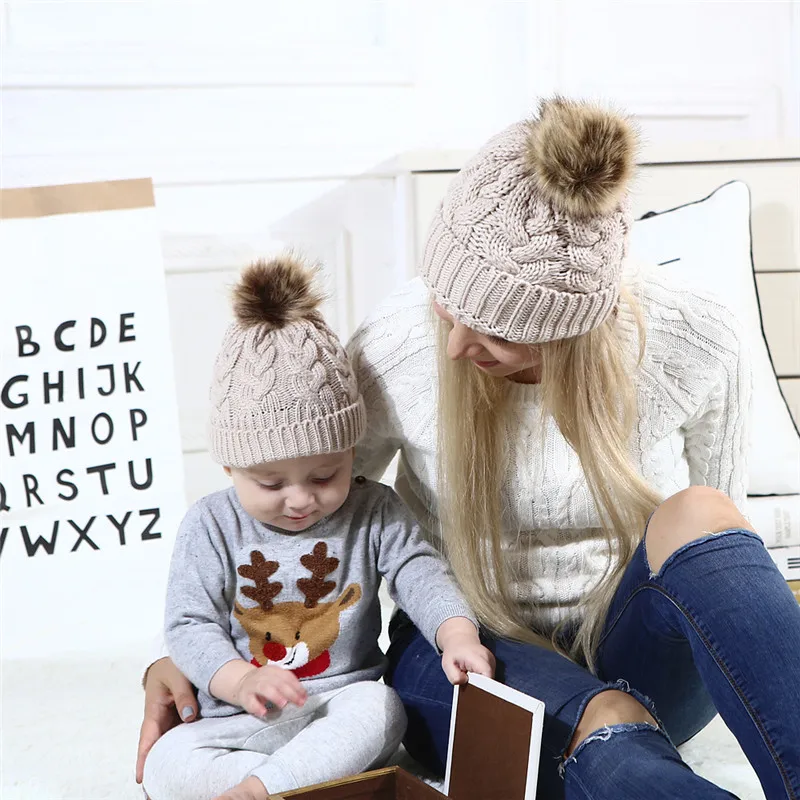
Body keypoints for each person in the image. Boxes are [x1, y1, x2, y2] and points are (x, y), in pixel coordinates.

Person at [138, 98, 800, 799]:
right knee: (606, 719)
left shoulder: (696, 335)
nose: (454, 345)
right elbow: (292, 520)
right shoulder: (396, 343)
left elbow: (722, 576)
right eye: (447, 306)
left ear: (566, 327)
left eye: (492, 331)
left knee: (701, 511)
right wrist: (181, 656)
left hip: (633, 645)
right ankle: (610, 744)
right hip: (465, 652)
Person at [141, 256, 493, 800]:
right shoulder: (210, 524)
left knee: (383, 708)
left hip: (336, 706)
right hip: (235, 719)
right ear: (230, 466)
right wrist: (240, 679)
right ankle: (287, 784)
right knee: (165, 763)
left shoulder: (373, 509)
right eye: (271, 482)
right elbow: (189, 623)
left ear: (352, 450)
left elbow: (420, 572)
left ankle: (265, 790)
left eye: (325, 474)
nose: (302, 499)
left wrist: (457, 634)